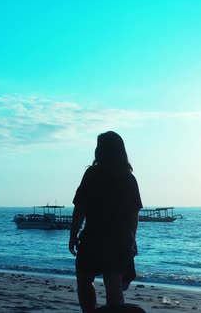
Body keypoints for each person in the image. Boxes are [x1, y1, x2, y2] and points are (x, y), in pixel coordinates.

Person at [69, 131, 142, 312]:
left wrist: (73, 234)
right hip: (119, 238)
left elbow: (80, 208)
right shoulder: (128, 178)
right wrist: (132, 239)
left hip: (94, 235)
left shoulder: (92, 174)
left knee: (84, 280)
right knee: (113, 284)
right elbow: (134, 214)